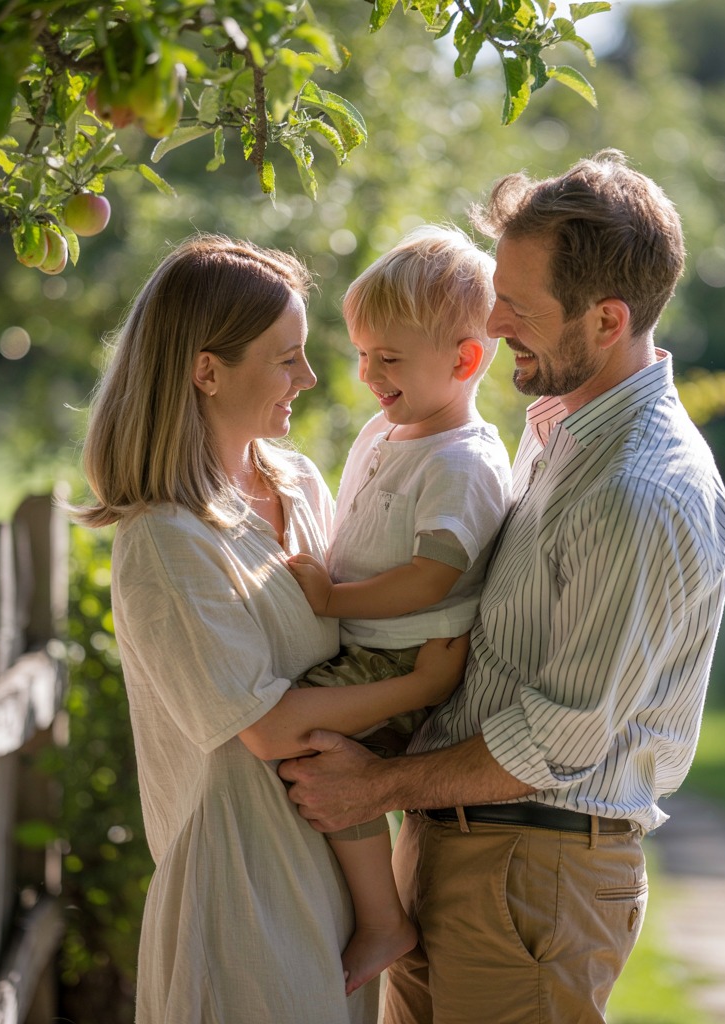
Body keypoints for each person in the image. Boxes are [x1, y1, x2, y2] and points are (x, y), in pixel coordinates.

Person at [278, 150, 725, 1024]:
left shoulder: (638, 488)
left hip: (533, 873)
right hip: (461, 845)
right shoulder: (561, 431)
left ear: (607, 320)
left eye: (519, 307)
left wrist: (377, 788)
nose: (491, 323)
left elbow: (562, 735)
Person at [74, 234, 468, 1024]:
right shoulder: (164, 538)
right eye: (286, 359)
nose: (311, 378)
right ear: (207, 371)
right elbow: (267, 726)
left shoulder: (298, 483)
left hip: (337, 871)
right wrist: (424, 684)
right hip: (243, 892)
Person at [285, 226, 513, 996]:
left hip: (405, 655)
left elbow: (427, 581)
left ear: (464, 361)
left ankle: (383, 920)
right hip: (367, 637)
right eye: (361, 353)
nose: (366, 374)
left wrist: (330, 598)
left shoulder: (462, 462)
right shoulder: (392, 427)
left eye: (388, 358)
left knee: (313, 749)